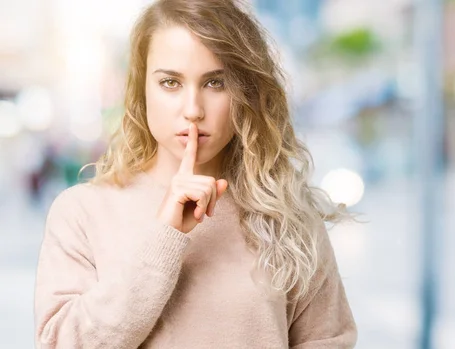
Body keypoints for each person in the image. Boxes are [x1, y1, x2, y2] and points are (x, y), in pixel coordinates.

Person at [33, 0, 357, 348]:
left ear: (244, 92)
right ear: (142, 90)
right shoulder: (82, 213)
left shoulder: (288, 216)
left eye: (215, 83)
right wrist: (165, 237)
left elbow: (328, 340)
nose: (192, 110)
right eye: (170, 83)